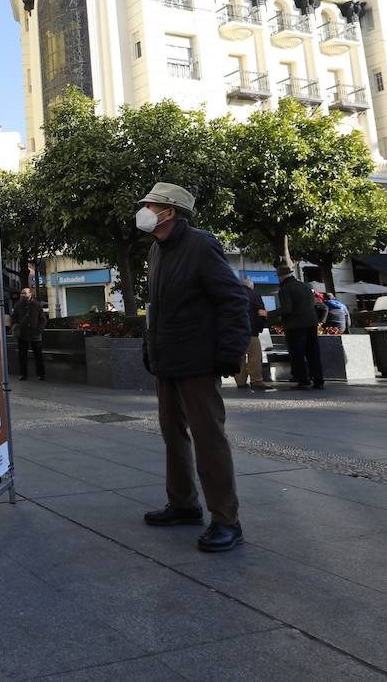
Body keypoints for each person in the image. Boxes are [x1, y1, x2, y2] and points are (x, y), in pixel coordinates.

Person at [138, 182, 249, 553]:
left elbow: (233, 301)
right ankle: (184, 504)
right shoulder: (156, 250)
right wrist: (148, 346)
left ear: (169, 211)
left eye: (150, 206)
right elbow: (157, 309)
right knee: (173, 433)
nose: (144, 211)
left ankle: (226, 521)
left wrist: (228, 355)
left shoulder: (201, 244)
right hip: (167, 360)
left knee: (208, 438)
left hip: (198, 361)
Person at [278, 267, 324, 390]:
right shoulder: (306, 286)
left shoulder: (285, 289)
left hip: (294, 326)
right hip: (311, 323)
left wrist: (269, 314)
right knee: (313, 352)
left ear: (281, 276)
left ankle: (303, 379)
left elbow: (287, 309)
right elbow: (316, 304)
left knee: (297, 353)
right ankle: (318, 380)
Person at [234, 278, 271, 392]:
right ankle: (256, 381)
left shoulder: (233, 295)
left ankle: (240, 381)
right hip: (251, 332)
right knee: (254, 357)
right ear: (251, 286)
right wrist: (259, 328)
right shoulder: (255, 295)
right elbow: (261, 313)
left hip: (236, 332)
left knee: (239, 358)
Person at [13, 287, 47, 381]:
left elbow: (43, 319)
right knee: (22, 356)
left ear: (30, 294)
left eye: (24, 293)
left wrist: (38, 331)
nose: (22, 295)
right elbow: (14, 317)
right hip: (22, 335)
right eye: (21, 293)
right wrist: (16, 326)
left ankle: (41, 374)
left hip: (35, 335)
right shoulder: (18, 305)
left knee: (38, 355)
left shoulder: (36, 305)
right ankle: (23, 374)